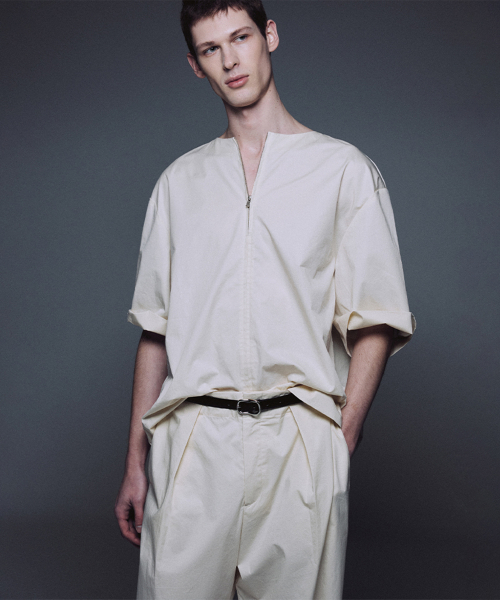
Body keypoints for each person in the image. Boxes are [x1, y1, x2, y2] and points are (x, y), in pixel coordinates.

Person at [115, 1, 415, 598]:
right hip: (194, 441)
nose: (230, 60)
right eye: (211, 49)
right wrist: (134, 463)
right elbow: (155, 329)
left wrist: (342, 435)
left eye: (241, 37)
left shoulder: (343, 170)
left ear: (269, 35)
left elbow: (376, 317)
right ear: (195, 65)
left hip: (298, 442)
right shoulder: (179, 183)